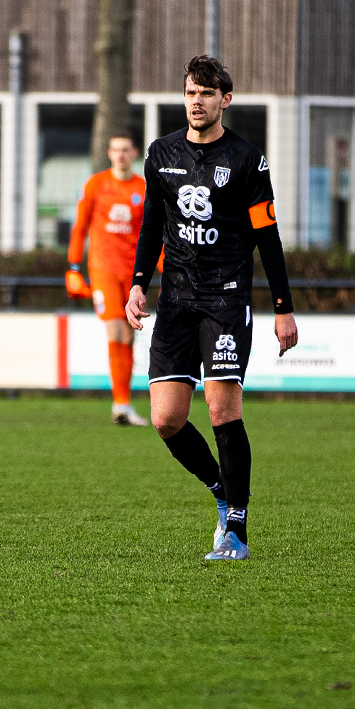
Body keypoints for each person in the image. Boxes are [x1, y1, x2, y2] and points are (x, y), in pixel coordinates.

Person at [126, 56, 296, 561]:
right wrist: (138, 284)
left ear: (225, 99)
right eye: (190, 93)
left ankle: (237, 532)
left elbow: (268, 236)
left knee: (223, 411)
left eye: (206, 93)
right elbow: (152, 225)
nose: (196, 102)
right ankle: (222, 492)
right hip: (174, 301)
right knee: (166, 420)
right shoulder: (161, 154)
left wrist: (283, 307)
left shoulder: (247, 159)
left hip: (225, 299)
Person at [66, 131, 151, 425]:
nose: (120, 155)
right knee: (115, 331)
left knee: (128, 336)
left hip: (133, 273)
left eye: (126, 149)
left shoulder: (143, 188)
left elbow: (152, 234)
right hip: (103, 270)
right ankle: (120, 404)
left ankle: (123, 405)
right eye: (115, 150)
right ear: (109, 153)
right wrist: (73, 268)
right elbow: (79, 227)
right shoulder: (95, 185)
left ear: (134, 153)